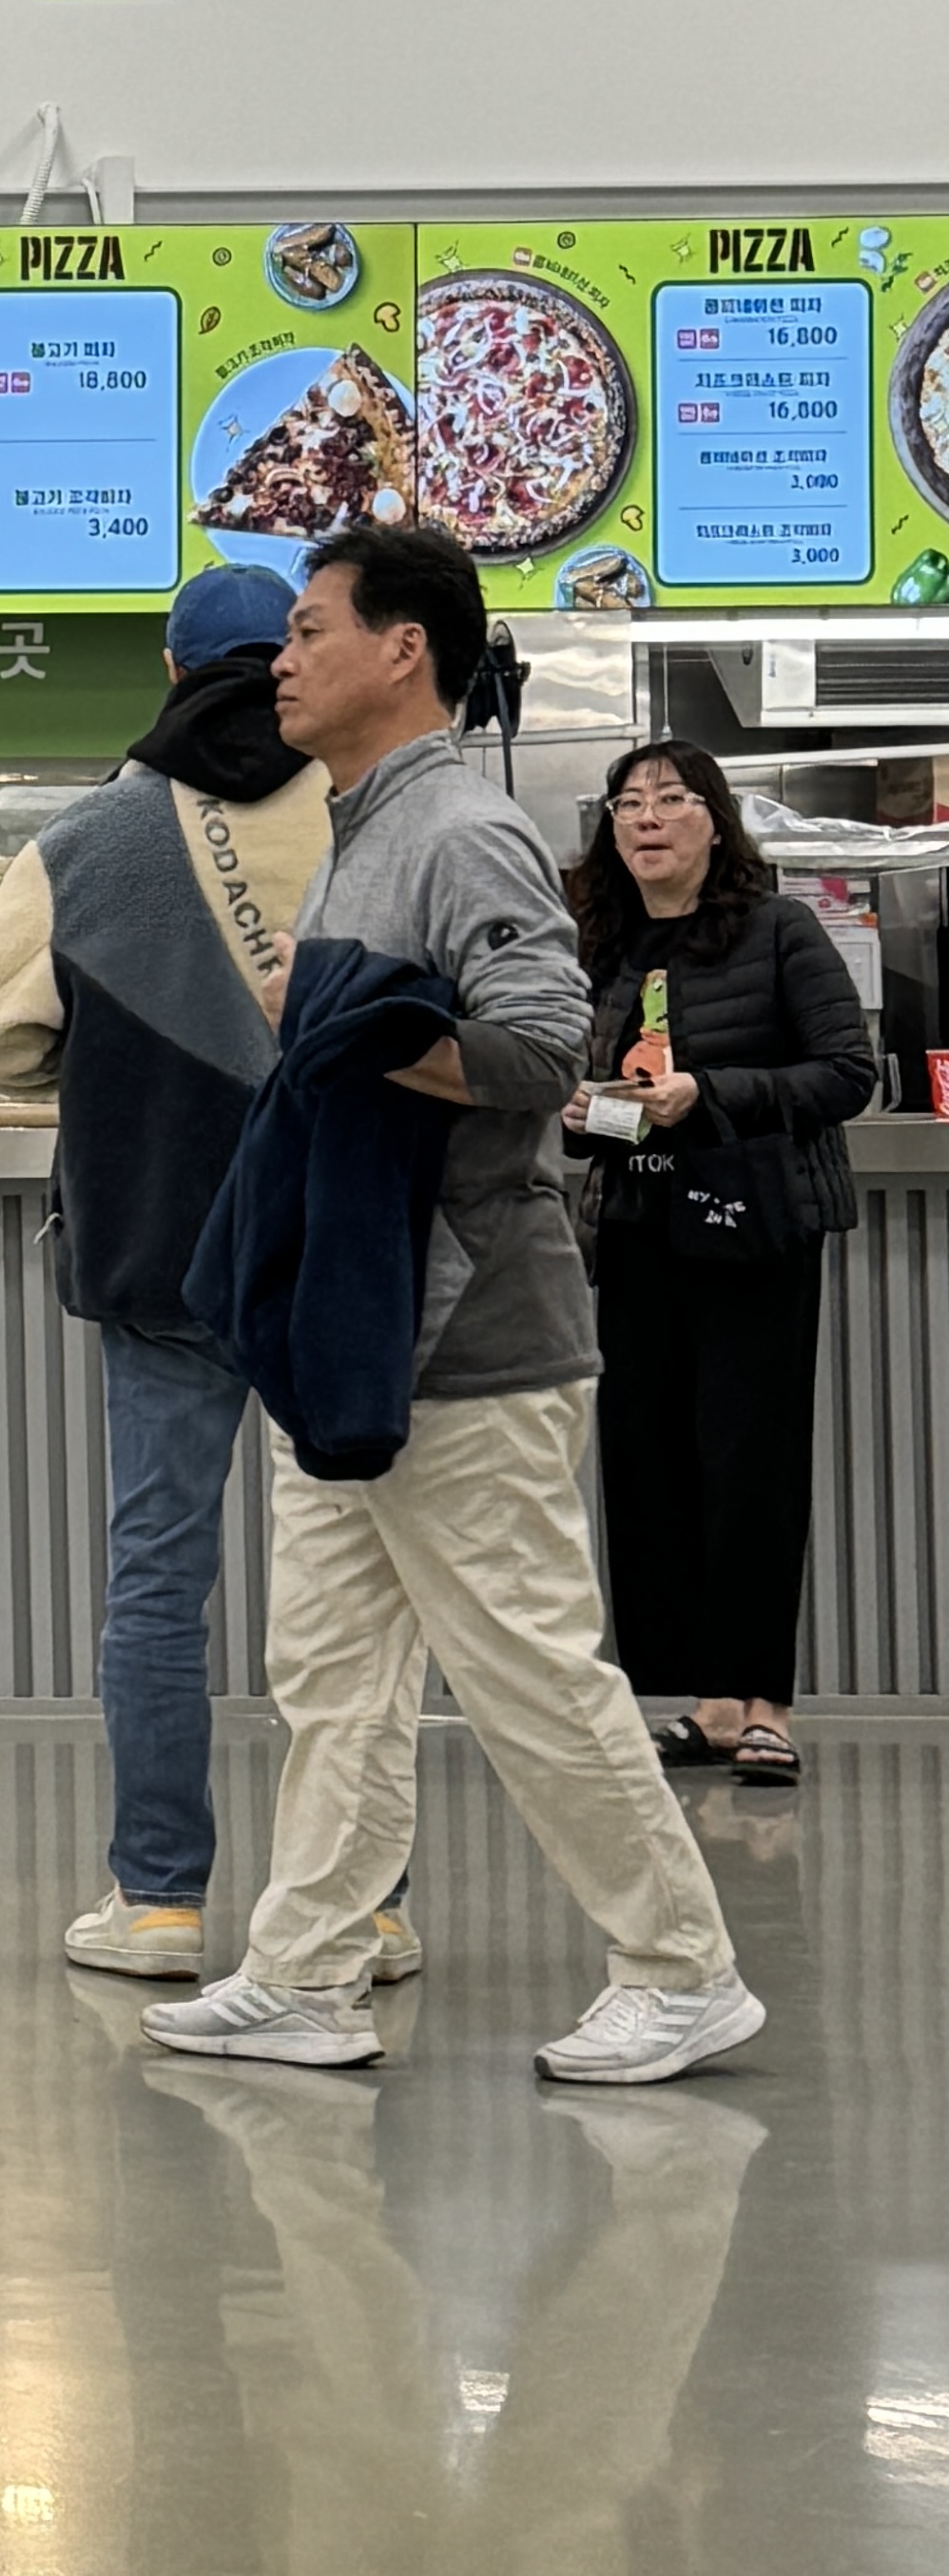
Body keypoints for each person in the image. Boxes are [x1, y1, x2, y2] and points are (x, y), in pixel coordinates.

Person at [146, 519, 765, 2086]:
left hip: (466, 1333)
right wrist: (326, 1011)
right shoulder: (361, 823)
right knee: (331, 1673)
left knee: (526, 1667)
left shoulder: (461, 829)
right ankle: (305, 1971)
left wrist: (337, 1025)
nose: (279, 661)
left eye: (308, 628)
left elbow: (539, 1047)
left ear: (400, 647)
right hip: (353, 1337)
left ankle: (680, 1968)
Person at [0, 563, 416, 1989]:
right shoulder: (375, 818)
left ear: (166, 669)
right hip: (339, 1247)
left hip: (161, 1246)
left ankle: (157, 1902)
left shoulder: (92, 836)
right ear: (296, 658)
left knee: (158, 1575)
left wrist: (116, 1074)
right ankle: (365, 1907)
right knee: (359, 1586)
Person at [561, 738, 869, 1790]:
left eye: (670, 799)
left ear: (713, 819)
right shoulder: (599, 946)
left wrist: (710, 1093)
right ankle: (701, 1702)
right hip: (636, 1229)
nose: (645, 818)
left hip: (753, 1232)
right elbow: (593, 1090)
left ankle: (764, 1703)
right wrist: (584, 1111)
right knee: (649, 1468)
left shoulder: (778, 929)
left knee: (751, 1469)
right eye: (626, 804)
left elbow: (844, 1073)